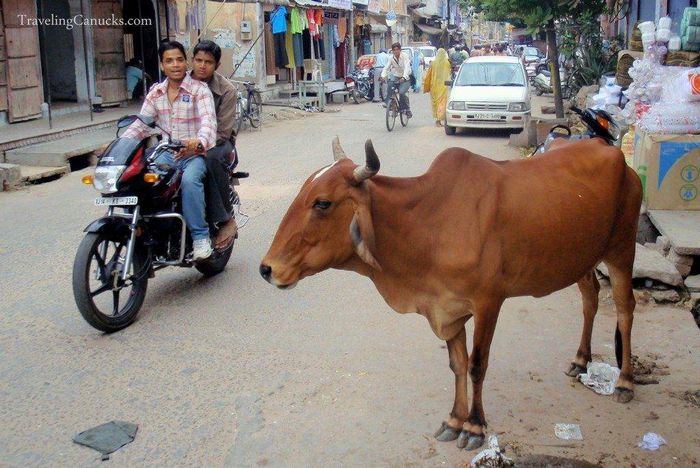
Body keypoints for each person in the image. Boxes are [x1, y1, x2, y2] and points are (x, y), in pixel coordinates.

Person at [123, 41, 217, 261]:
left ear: (185, 62)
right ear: (162, 65)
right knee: (136, 178)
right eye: (169, 60)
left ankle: (201, 237)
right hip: (166, 153)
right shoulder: (155, 93)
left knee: (190, 181)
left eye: (179, 59)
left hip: (194, 154)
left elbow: (208, 123)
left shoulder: (199, 90)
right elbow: (140, 125)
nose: (175, 65)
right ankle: (137, 231)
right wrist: (121, 147)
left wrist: (199, 142)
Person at [190, 40, 239, 250]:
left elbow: (223, 131)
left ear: (216, 65)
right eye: (198, 60)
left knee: (210, 159)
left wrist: (197, 145)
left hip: (217, 142)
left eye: (208, 62)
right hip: (182, 141)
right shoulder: (179, 83)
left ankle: (226, 219)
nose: (202, 65)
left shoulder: (227, 90)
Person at [380, 42, 412, 117]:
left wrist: (404, 77)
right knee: (390, 85)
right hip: (397, 75)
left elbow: (407, 68)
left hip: (406, 77)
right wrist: (383, 76)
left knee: (401, 92)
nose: (395, 51)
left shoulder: (405, 56)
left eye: (397, 49)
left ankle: (406, 109)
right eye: (394, 50)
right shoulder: (391, 58)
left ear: (400, 50)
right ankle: (388, 103)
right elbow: (386, 68)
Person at [422, 48, 452, 127]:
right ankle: (441, 119)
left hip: (434, 86)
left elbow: (428, 75)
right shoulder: (447, 63)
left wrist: (426, 86)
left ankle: (438, 120)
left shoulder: (433, 63)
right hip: (443, 86)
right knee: (442, 103)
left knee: (435, 103)